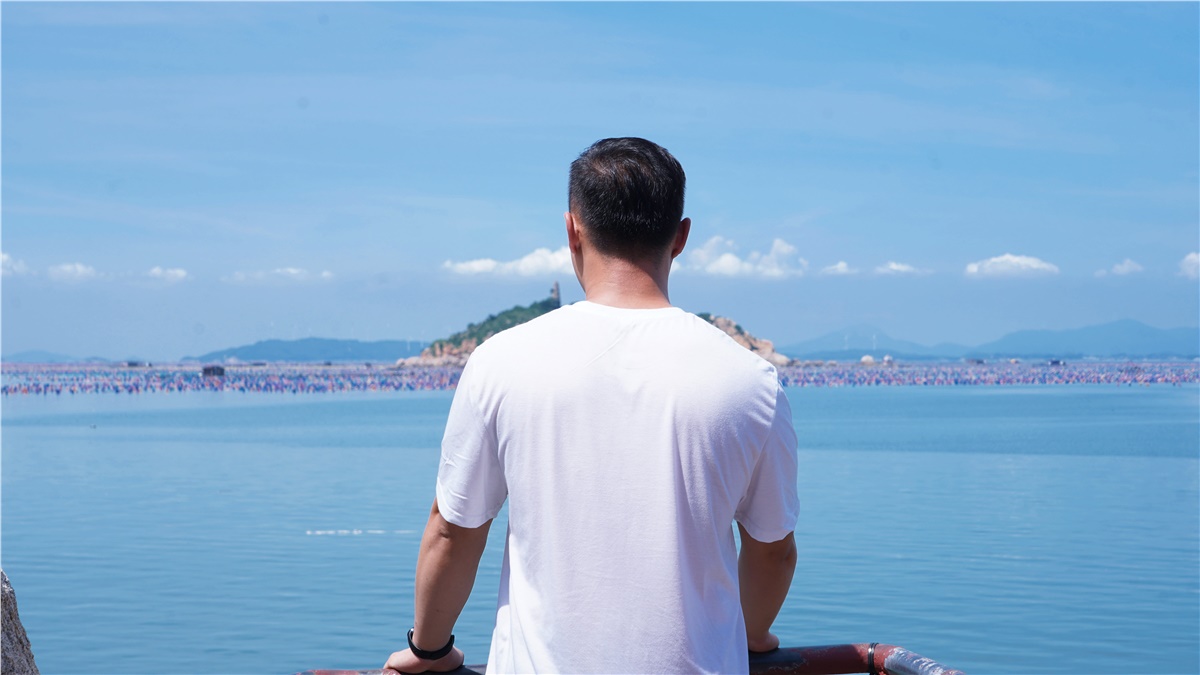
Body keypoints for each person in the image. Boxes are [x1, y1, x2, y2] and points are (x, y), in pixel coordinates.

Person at [383, 137, 799, 675]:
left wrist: (430, 650)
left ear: (572, 230)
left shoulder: (501, 361)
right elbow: (772, 550)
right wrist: (750, 635)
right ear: (681, 237)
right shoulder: (751, 382)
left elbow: (453, 530)